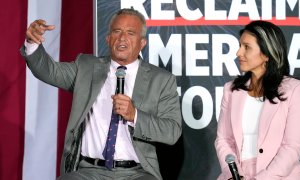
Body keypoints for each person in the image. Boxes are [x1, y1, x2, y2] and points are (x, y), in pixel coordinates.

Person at [20, 8, 182, 180]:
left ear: (142, 43)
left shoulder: (162, 80)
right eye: (117, 31)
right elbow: (49, 71)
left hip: (137, 173)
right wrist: (32, 43)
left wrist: (134, 115)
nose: (122, 38)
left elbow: (171, 132)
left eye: (130, 33)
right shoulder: (86, 67)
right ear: (108, 38)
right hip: (88, 171)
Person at [215, 20, 300, 180]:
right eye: (240, 46)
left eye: (247, 47)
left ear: (266, 53)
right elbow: (224, 139)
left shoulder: (296, 90)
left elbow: (292, 146)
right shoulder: (231, 89)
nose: (238, 53)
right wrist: (233, 174)